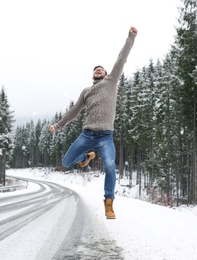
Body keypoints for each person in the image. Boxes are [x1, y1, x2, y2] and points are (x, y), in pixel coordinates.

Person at [49, 26, 138, 219]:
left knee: (109, 166)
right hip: (87, 134)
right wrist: (58, 125)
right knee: (66, 161)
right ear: (93, 75)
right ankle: (85, 158)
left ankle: (108, 203)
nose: (98, 70)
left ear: (106, 74)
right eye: (95, 69)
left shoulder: (112, 81)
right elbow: (74, 111)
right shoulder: (86, 91)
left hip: (105, 136)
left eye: (101, 69)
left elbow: (121, 58)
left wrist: (131, 37)